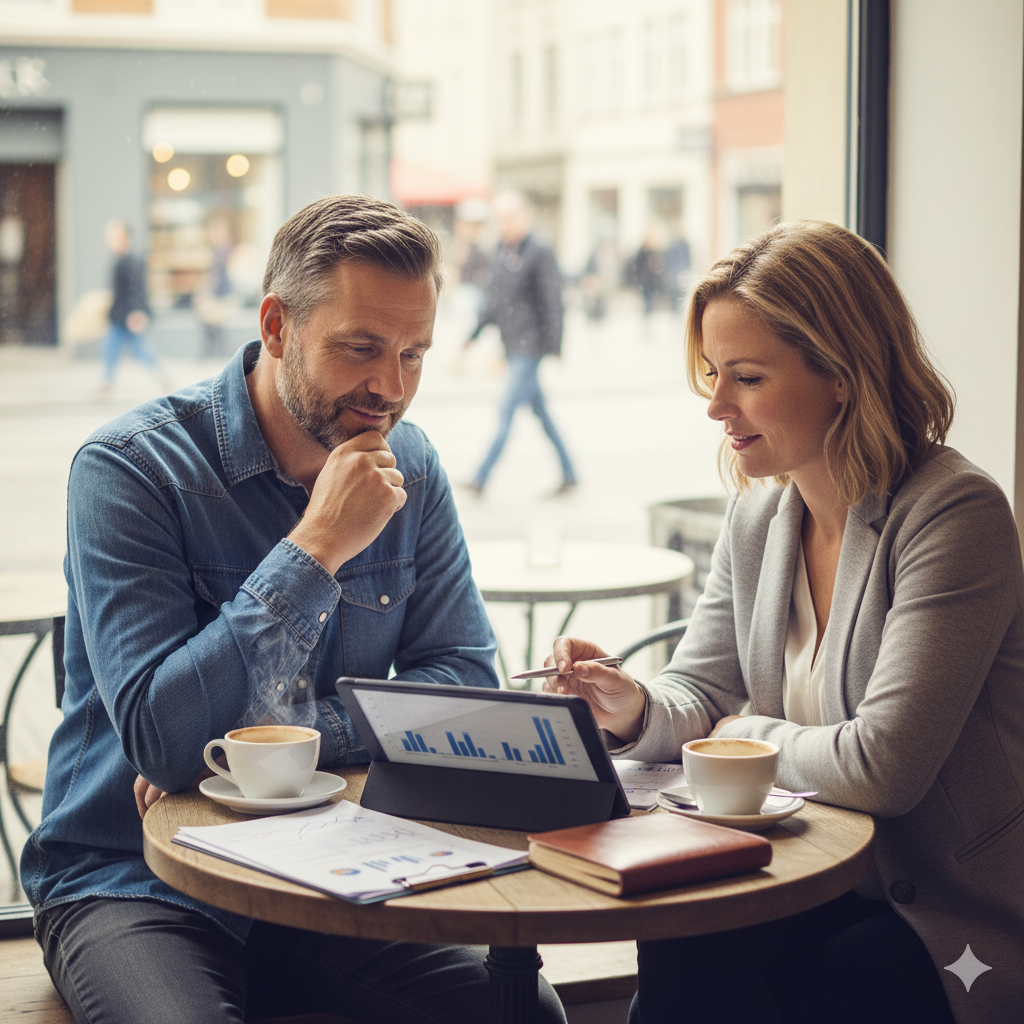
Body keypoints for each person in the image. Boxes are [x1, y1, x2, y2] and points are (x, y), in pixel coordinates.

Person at [24, 194, 567, 1024]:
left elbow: (460, 680)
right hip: (136, 880)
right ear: (277, 327)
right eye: (360, 349)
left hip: (339, 863)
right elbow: (166, 742)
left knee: (518, 1009)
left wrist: (270, 747)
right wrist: (316, 546)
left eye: (414, 354)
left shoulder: (410, 465)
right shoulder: (129, 470)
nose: (389, 388)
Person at [542, 221, 1023, 1024]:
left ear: (841, 373)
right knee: (683, 937)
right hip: (799, 874)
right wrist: (631, 707)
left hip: (934, 912)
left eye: (748, 377)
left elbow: (884, 768)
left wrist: (744, 733)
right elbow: (700, 689)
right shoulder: (761, 517)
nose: (718, 407)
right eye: (713, 375)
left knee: (810, 980)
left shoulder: (954, 514)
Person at [463, 190, 578, 495]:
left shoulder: (539, 250)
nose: (503, 225)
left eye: (509, 218)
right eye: (499, 220)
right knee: (541, 412)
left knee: (505, 410)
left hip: (531, 346)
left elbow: (552, 300)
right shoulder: (500, 251)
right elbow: (495, 301)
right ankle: (570, 473)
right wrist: (471, 337)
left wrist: (555, 346)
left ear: (524, 217)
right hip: (512, 343)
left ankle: (480, 477)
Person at [97, 219, 169, 397]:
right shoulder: (122, 259)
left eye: (115, 236)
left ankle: (162, 375)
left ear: (125, 238)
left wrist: (137, 313)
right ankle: (106, 383)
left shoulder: (131, 260)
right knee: (114, 348)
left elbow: (136, 289)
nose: (111, 240)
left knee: (135, 350)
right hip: (120, 315)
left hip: (128, 315)